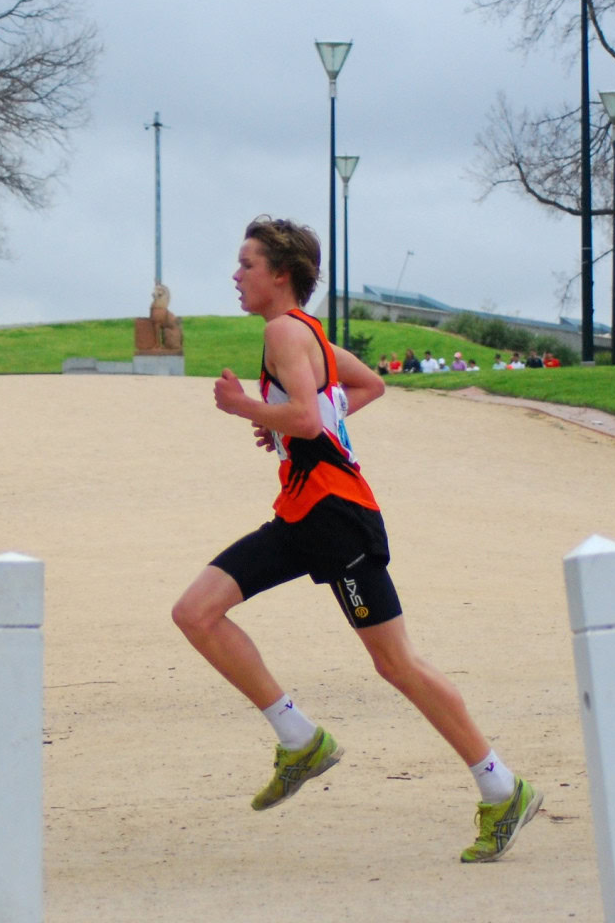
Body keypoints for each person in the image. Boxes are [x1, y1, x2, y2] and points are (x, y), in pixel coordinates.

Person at [172, 217, 541, 863]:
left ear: (280, 275)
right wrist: (286, 429)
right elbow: (366, 387)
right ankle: (298, 739)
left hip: (335, 519)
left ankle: (501, 788)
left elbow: (310, 414)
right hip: (303, 515)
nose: (236, 274)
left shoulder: (286, 330)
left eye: (247, 263)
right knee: (196, 611)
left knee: (398, 664)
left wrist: (254, 411)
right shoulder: (307, 334)